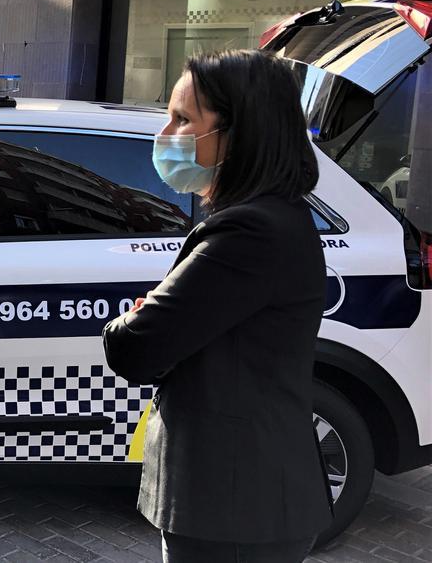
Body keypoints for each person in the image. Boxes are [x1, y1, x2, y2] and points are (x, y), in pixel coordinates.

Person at [102, 49, 333, 563]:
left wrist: (133, 319)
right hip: (241, 499)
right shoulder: (275, 217)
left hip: (232, 503)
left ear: (238, 132)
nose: (166, 133)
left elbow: (135, 349)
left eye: (184, 119)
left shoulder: (248, 231)